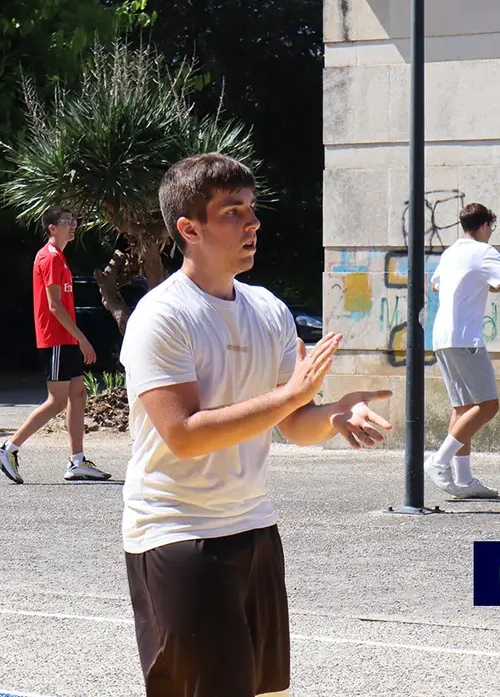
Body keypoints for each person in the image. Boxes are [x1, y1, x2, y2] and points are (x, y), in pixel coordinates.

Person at [118, 153, 393, 697]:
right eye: (233, 211)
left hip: (254, 530)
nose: (253, 222)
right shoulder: (162, 315)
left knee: (268, 694)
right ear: (189, 230)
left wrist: (334, 415)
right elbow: (185, 434)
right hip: (179, 535)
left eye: (252, 208)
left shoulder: (268, 309)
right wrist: (291, 395)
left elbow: (291, 423)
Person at [0, 205, 111, 484]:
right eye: (66, 221)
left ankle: (77, 462)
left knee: (78, 395)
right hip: (56, 338)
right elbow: (54, 306)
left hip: (65, 339)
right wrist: (82, 337)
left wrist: (75, 338)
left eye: (74, 220)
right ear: (51, 228)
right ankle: (7, 449)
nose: (73, 225)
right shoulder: (51, 258)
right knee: (58, 401)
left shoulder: (60, 258)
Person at [425, 202, 500, 499]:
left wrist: (488, 285)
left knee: (463, 409)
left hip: (442, 336)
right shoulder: (483, 252)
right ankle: (439, 460)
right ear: (484, 226)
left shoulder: (451, 252)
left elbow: (437, 287)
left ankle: (465, 480)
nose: (491, 233)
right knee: (487, 405)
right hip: (466, 338)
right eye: (491, 227)